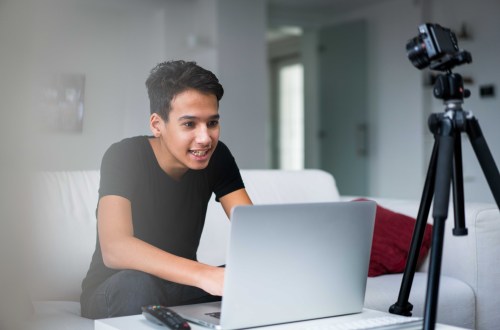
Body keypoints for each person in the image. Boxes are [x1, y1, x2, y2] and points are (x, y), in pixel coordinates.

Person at [80, 60, 253, 319]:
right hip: (116, 287)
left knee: (249, 277)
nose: (205, 138)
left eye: (212, 123)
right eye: (189, 124)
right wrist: (204, 274)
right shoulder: (125, 155)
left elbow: (254, 230)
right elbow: (115, 248)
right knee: (137, 284)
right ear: (157, 124)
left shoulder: (219, 157)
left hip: (178, 287)